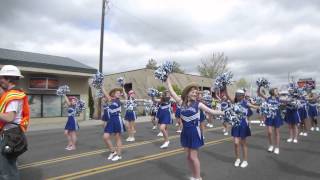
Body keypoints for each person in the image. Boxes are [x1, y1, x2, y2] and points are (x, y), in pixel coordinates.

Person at [167, 76, 223, 180]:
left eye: (196, 93)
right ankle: (193, 175)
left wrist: (226, 112)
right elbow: (171, 91)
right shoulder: (181, 103)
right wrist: (167, 78)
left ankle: (198, 177)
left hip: (194, 132)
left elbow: (213, 112)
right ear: (187, 93)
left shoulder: (199, 104)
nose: (194, 94)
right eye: (192, 92)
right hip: (185, 133)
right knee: (188, 157)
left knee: (193, 157)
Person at [0, 65, 30, 180]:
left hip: (9, 135)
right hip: (11, 134)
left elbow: (9, 117)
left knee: (7, 171)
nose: (0, 80)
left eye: (1, 78)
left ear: (8, 79)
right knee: (8, 166)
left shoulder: (13, 96)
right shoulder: (11, 94)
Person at [225, 88, 259, 168]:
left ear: (243, 96)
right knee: (236, 143)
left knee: (243, 143)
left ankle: (245, 160)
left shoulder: (245, 102)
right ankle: (237, 159)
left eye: (240, 95)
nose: (238, 96)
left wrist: (261, 107)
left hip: (243, 124)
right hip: (236, 124)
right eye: (237, 95)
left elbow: (253, 106)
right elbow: (227, 95)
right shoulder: (234, 102)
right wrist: (225, 86)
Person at [102, 87, 126, 161]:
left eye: (119, 93)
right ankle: (113, 151)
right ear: (113, 94)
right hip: (110, 120)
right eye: (117, 93)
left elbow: (106, 95)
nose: (119, 94)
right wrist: (101, 85)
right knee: (105, 137)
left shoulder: (118, 101)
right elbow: (106, 96)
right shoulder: (111, 100)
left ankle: (119, 155)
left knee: (117, 138)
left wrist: (101, 85)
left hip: (117, 119)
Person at [257, 87, 283, 154]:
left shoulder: (279, 99)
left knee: (277, 132)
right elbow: (259, 93)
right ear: (272, 92)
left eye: (277, 90)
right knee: (269, 132)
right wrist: (259, 86)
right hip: (269, 117)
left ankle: (277, 147)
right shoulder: (268, 98)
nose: (277, 91)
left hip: (277, 116)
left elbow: (285, 103)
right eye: (276, 90)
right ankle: (271, 145)